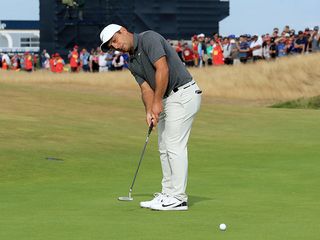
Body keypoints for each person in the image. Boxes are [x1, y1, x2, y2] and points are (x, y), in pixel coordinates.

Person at [100, 24, 202, 211]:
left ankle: (178, 197)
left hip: (183, 93)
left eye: (115, 40)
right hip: (167, 98)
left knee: (173, 145)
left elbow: (162, 69)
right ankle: (168, 193)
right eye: (111, 46)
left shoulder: (149, 38)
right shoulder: (131, 62)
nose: (116, 46)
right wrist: (149, 110)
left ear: (123, 30)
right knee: (163, 147)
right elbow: (146, 88)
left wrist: (157, 103)